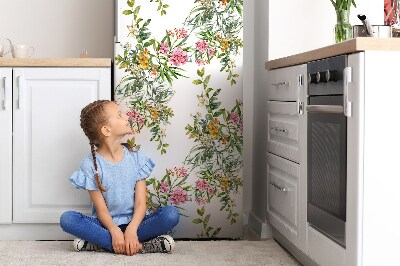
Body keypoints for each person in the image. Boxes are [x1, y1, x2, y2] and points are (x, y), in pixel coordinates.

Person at [60, 100, 180, 256]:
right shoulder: (90, 165)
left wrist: (132, 229)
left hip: (138, 223)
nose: (126, 116)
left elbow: (141, 203)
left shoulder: (136, 156)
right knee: (67, 219)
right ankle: (142, 246)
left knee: (171, 214)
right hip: (106, 225)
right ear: (106, 130)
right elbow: (102, 210)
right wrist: (114, 230)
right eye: (119, 115)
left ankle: (104, 244)